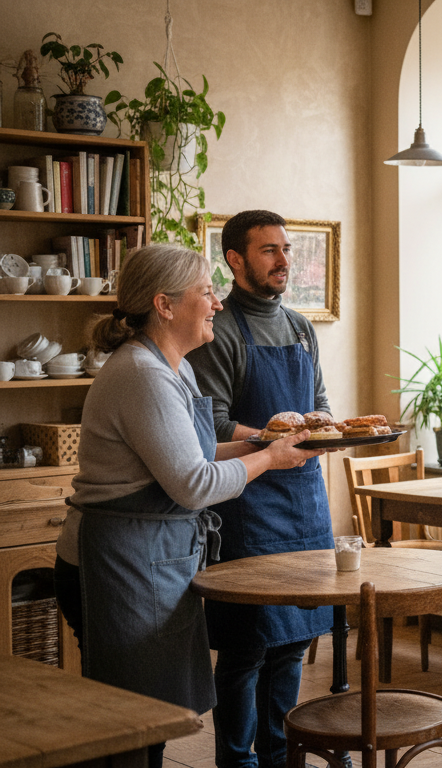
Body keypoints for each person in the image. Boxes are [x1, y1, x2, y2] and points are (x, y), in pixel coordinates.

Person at [52, 244, 321, 768]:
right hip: (115, 565)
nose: (217, 303)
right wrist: (269, 460)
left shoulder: (174, 368)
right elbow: (195, 483)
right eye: (205, 292)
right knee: (130, 724)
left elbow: (193, 453)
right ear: (165, 305)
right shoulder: (142, 375)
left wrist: (266, 443)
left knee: (150, 718)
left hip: (150, 559)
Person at [185, 210, 336, 768]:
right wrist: (274, 438)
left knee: (294, 637)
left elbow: (321, 405)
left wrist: (318, 426)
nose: (283, 261)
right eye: (270, 251)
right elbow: (213, 426)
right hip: (247, 503)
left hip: (304, 503)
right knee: (247, 644)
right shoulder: (220, 331)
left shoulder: (300, 327)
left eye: (287, 250)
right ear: (235, 260)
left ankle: (280, 752)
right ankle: (237, 760)